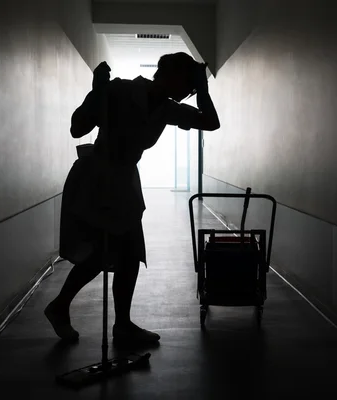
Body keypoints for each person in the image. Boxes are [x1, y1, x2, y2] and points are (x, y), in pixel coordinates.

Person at [45, 52, 220, 344]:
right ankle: (66, 308)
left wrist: (203, 90)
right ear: (170, 74)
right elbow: (78, 127)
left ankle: (115, 322)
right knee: (106, 251)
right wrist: (96, 91)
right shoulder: (119, 90)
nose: (188, 92)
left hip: (124, 182)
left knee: (129, 254)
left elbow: (210, 122)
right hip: (97, 178)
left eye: (192, 89)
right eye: (188, 85)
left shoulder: (166, 109)